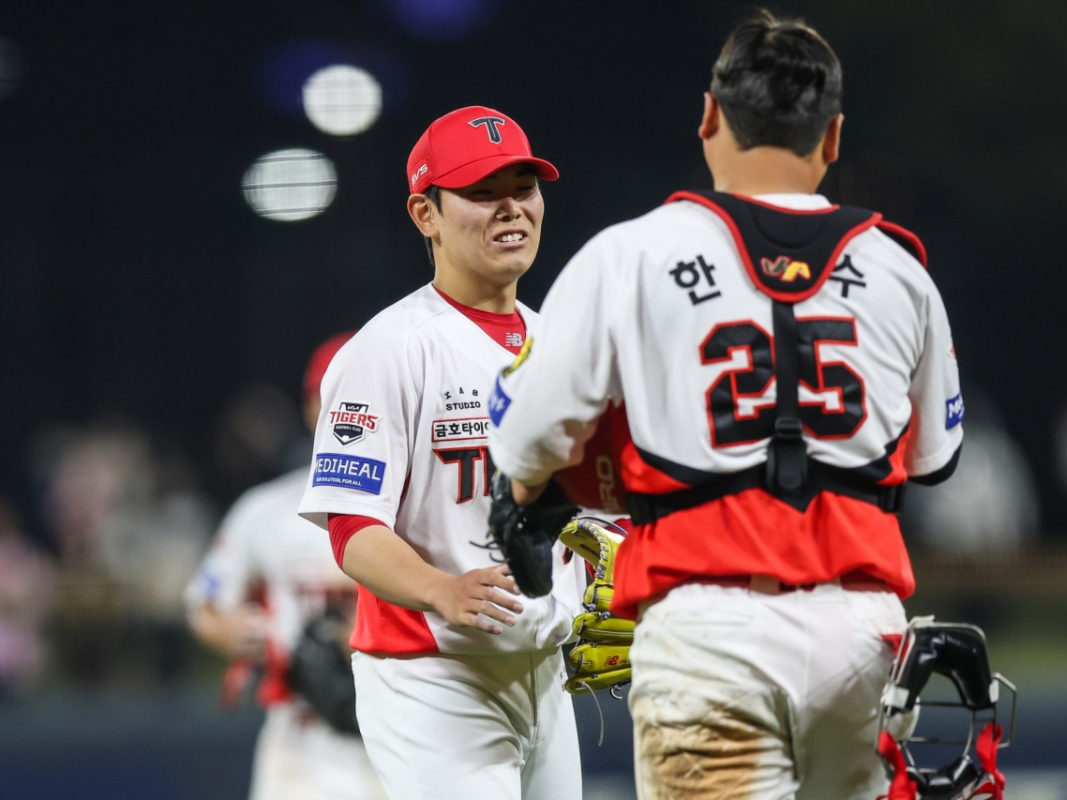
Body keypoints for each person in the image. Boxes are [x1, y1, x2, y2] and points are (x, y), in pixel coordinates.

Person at [486, 12, 963, 800]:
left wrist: (534, 495)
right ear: (833, 136)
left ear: (709, 118)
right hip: (865, 630)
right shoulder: (900, 268)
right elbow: (932, 459)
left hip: (709, 624)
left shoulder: (632, 253)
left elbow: (527, 434)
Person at [297, 106, 586, 800]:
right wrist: (440, 588)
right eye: (482, 193)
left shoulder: (564, 346)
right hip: (429, 672)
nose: (511, 208)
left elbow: (594, 509)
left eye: (524, 186)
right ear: (425, 214)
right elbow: (352, 528)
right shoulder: (389, 348)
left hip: (544, 672)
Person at [185, 332, 387, 800]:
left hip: (406, 728)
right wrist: (228, 630)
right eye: (334, 395)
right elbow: (204, 604)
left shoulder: (424, 505)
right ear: (311, 407)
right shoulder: (268, 509)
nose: (348, 409)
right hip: (303, 739)